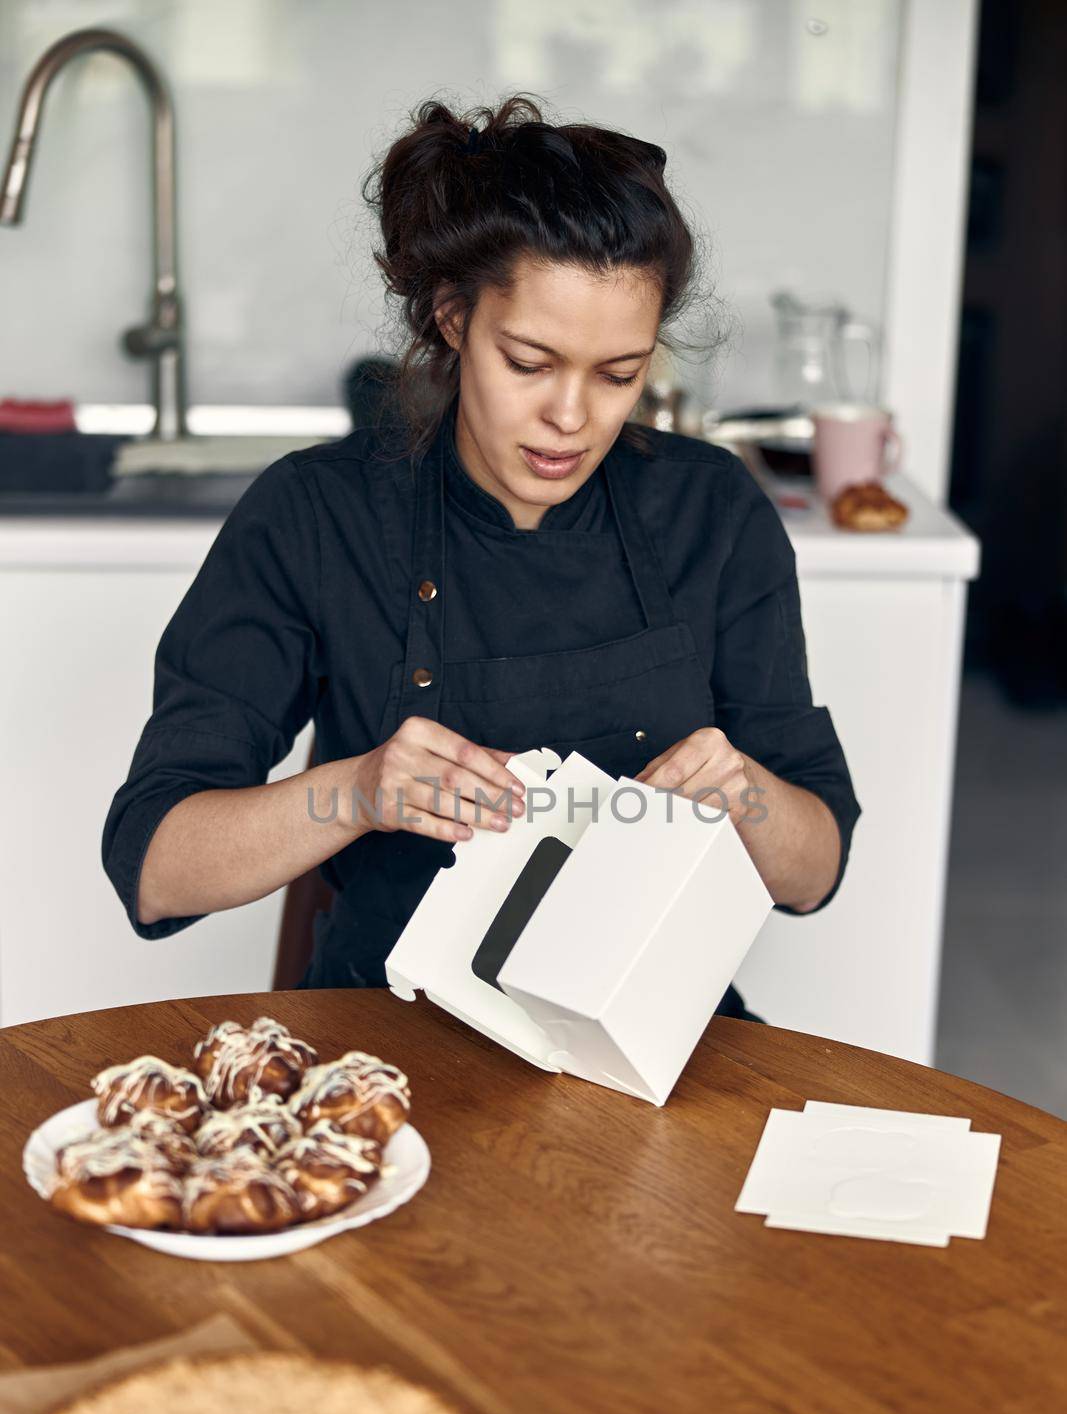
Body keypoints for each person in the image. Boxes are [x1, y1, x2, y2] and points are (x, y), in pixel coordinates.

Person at [102, 94, 861, 1023]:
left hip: (658, 1031)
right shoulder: (316, 513)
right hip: (389, 1036)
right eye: (531, 362)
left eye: (618, 375)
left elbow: (812, 872)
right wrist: (356, 790)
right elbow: (155, 871)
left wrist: (743, 791)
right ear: (454, 318)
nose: (573, 417)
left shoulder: (710, 509)